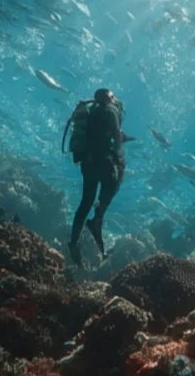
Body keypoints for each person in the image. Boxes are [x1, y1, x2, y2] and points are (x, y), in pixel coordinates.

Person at [68, 88, 125, 266]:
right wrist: (120, 155)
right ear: (109, 97)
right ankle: (96, 221)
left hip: (88, 162)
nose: (115, 98)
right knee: (113, 182)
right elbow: (116, 133)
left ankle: (73, 243)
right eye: (113, 95)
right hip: (102, 160)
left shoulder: (92, 111)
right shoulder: (110, 110)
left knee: (86, 201)